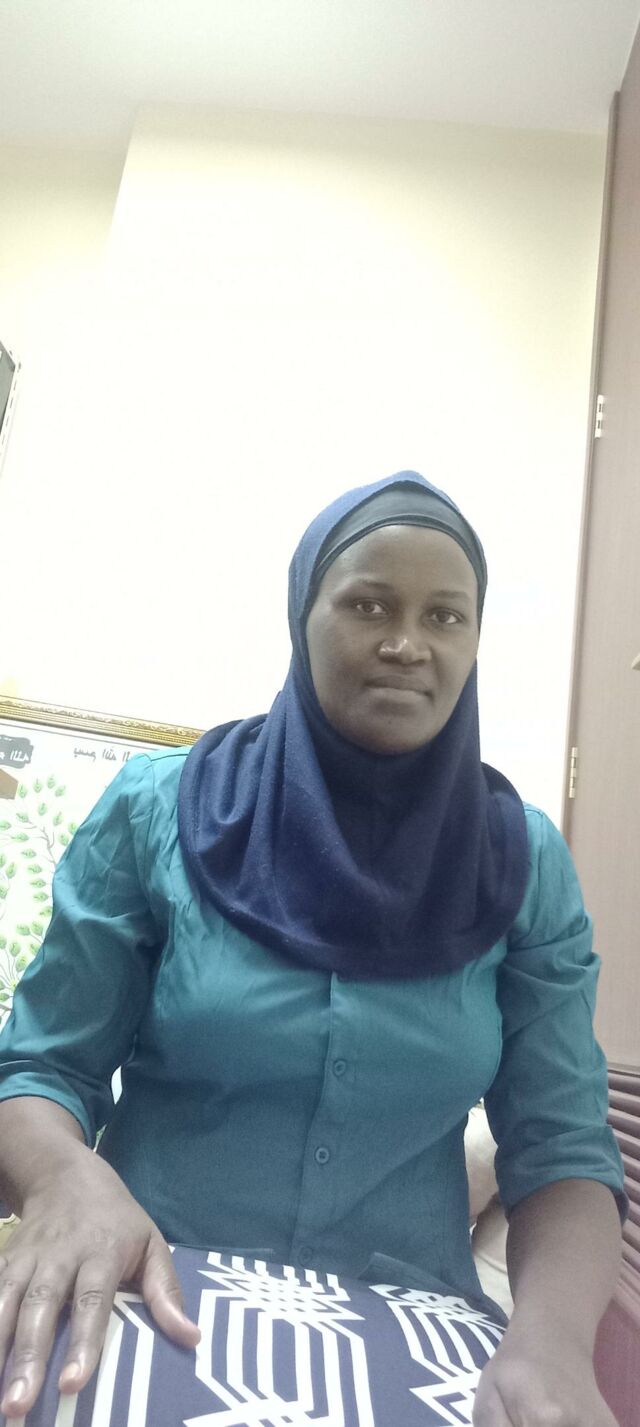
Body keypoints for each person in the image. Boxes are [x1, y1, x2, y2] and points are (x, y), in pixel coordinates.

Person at [0, 471, 626, 1427]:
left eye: (446, 616)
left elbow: (564, 1146)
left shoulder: (523, 861)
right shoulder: (157, 810)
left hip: (411, 1316)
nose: (407, 643)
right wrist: (66, 1179)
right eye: (369, 604)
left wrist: (550, 1341)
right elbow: (41, 1068)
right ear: (304, 614)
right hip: (144, 1281)